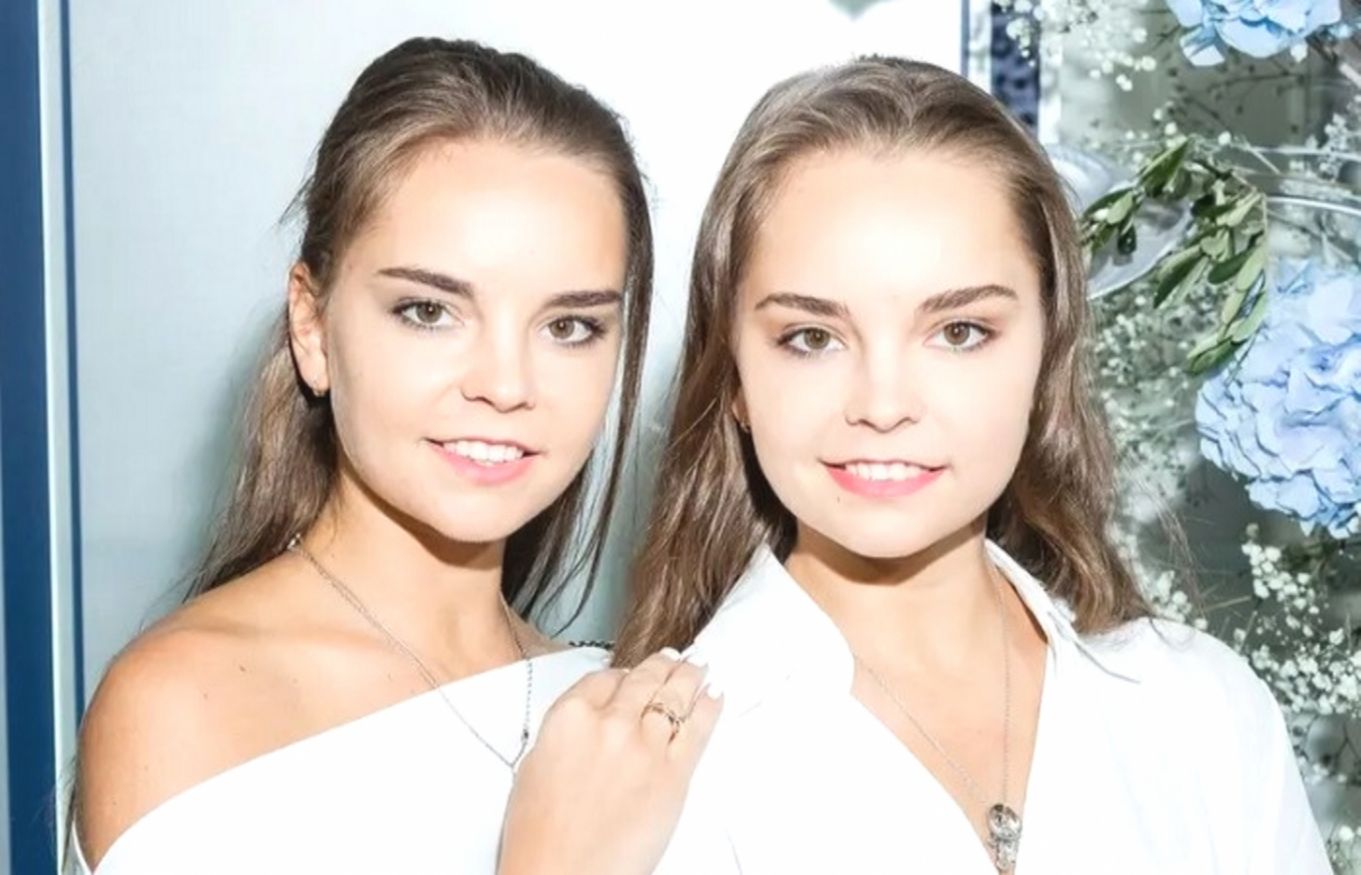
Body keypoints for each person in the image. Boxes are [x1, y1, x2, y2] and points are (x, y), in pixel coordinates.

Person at [617, 56, 1330, 873]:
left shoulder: (1200, 708)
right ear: (734, 377)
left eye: (958, 332)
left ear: (1046, 352)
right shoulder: (646, 771)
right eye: (811, 337)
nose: (883, 404)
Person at [73, 36, 717, 874]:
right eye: (428, 311)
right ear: (312, 327)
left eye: (568, 326)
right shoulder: (188, 704)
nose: (505, 384)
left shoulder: (630, 716)